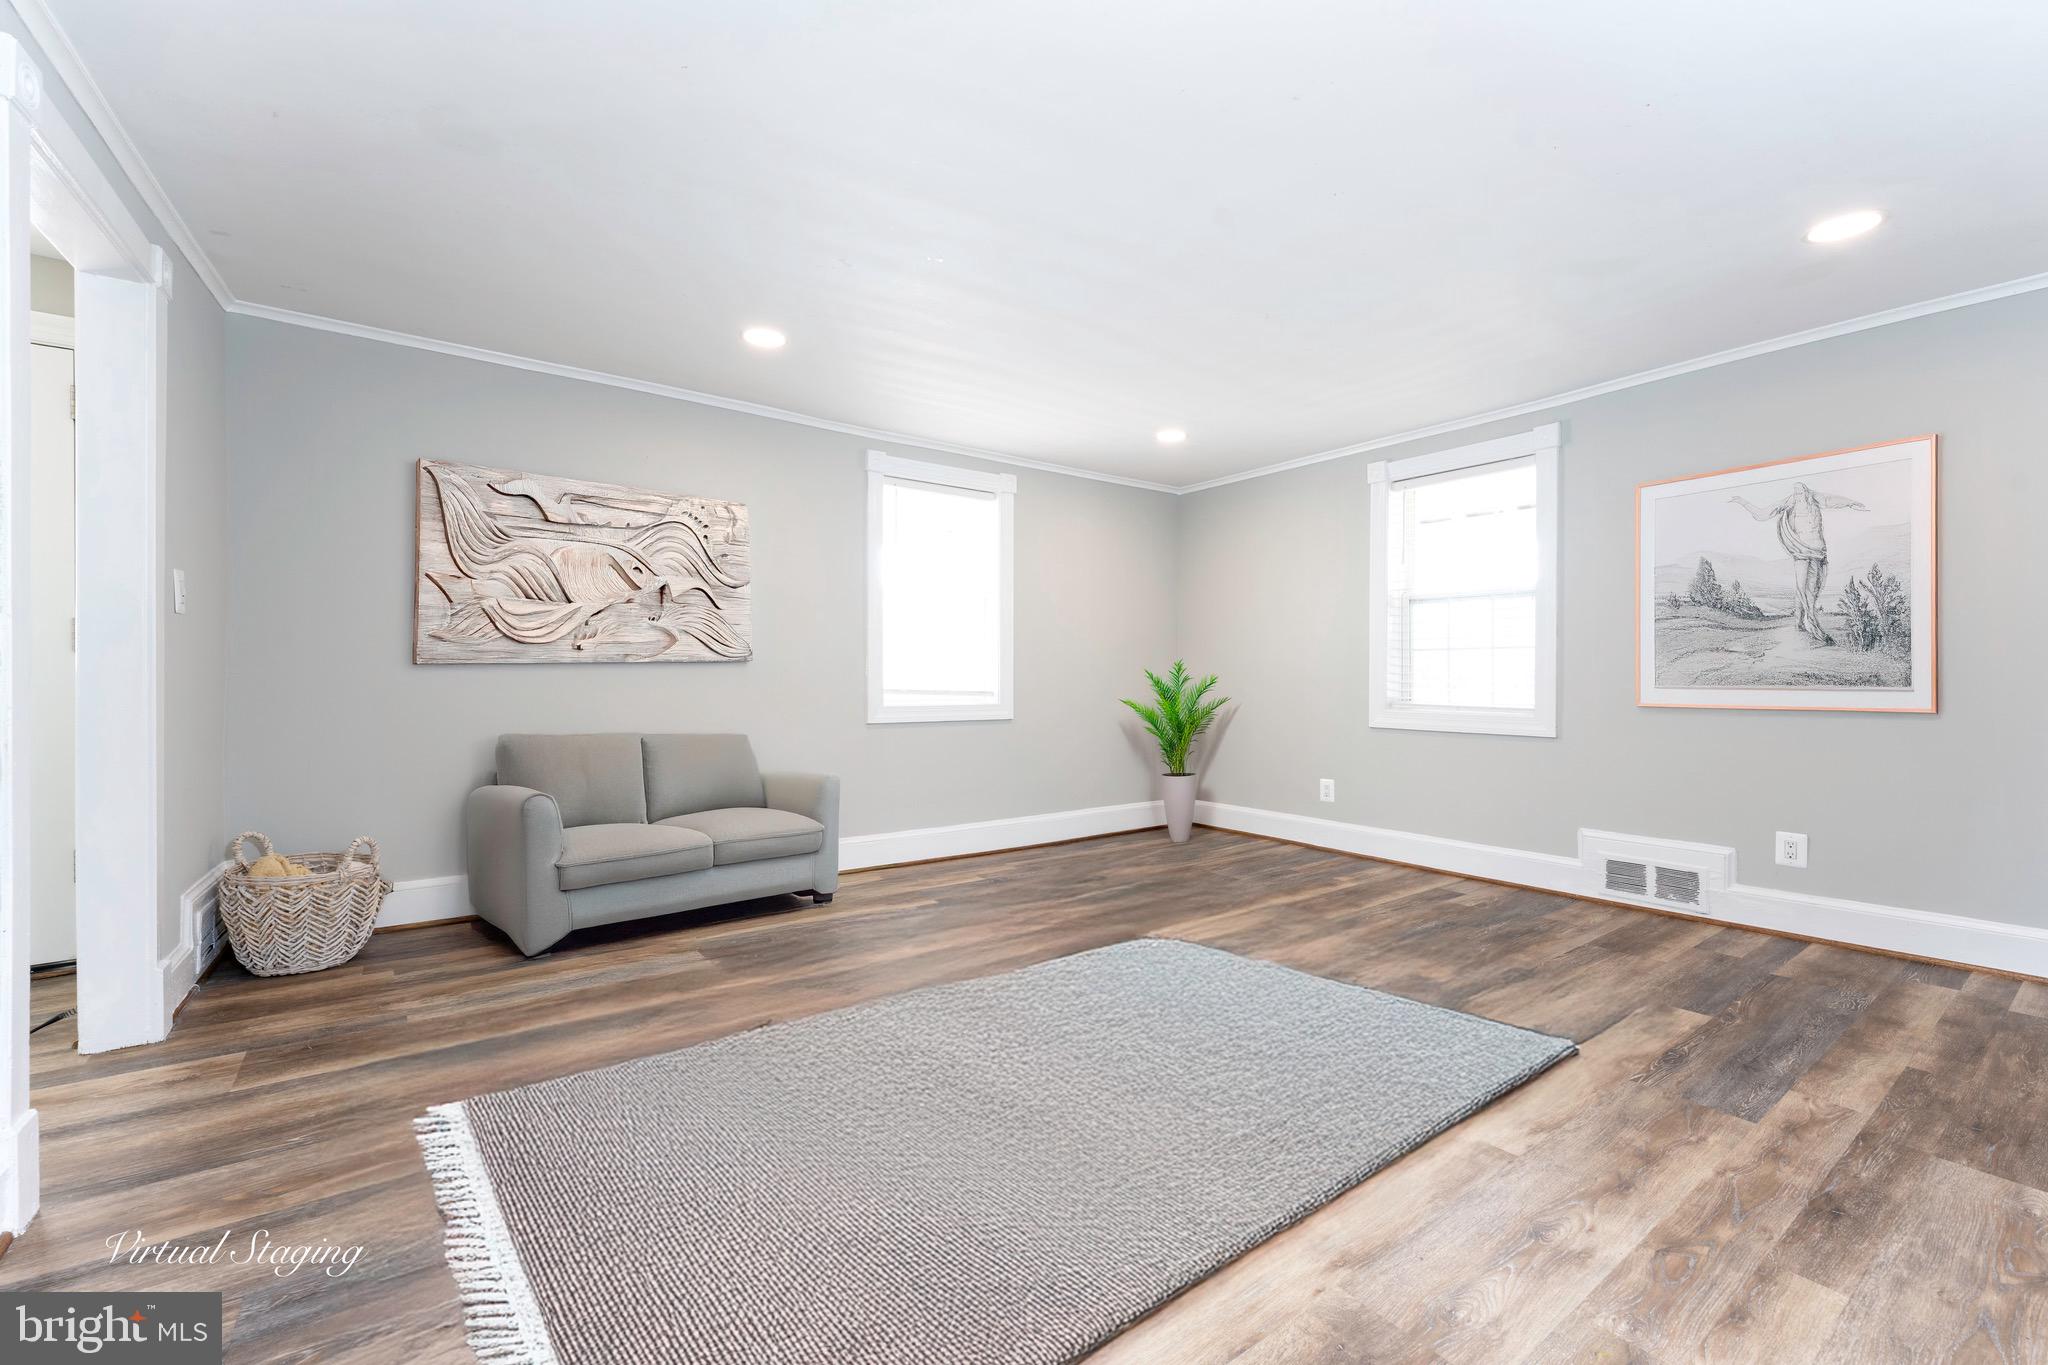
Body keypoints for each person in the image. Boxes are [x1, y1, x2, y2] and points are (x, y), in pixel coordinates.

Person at [1728, 482, 1867, 644]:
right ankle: (1812, 626)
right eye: (1796, 493)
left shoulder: (1815, 499)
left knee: (1812, 589)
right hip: (1801, 551)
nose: (1799, 495)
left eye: (1801, 492)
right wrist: (1743, 502)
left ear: (1806, 492)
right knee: (1802, 587)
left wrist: (1851, 502)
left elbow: (1831, 500)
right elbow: (1763, 514)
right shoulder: (1790, 502)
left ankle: (1800, 622)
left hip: (1818, 552)